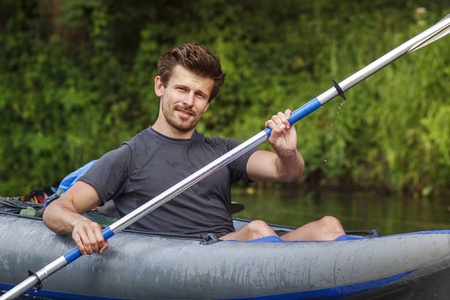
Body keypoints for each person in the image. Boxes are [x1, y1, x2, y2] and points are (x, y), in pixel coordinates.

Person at [43, 43, 345, 255]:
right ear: (160, 87)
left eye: (200, 94)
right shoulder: (129, 156)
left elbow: (287, 172)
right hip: (187, 261)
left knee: (328, 227)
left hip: (233, 251)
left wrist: (287, 150)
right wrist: (80, 222)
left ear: (207, 103)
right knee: (256, 230)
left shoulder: (222, 150)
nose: (189, 101)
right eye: (182, 89)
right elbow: (57, 208)